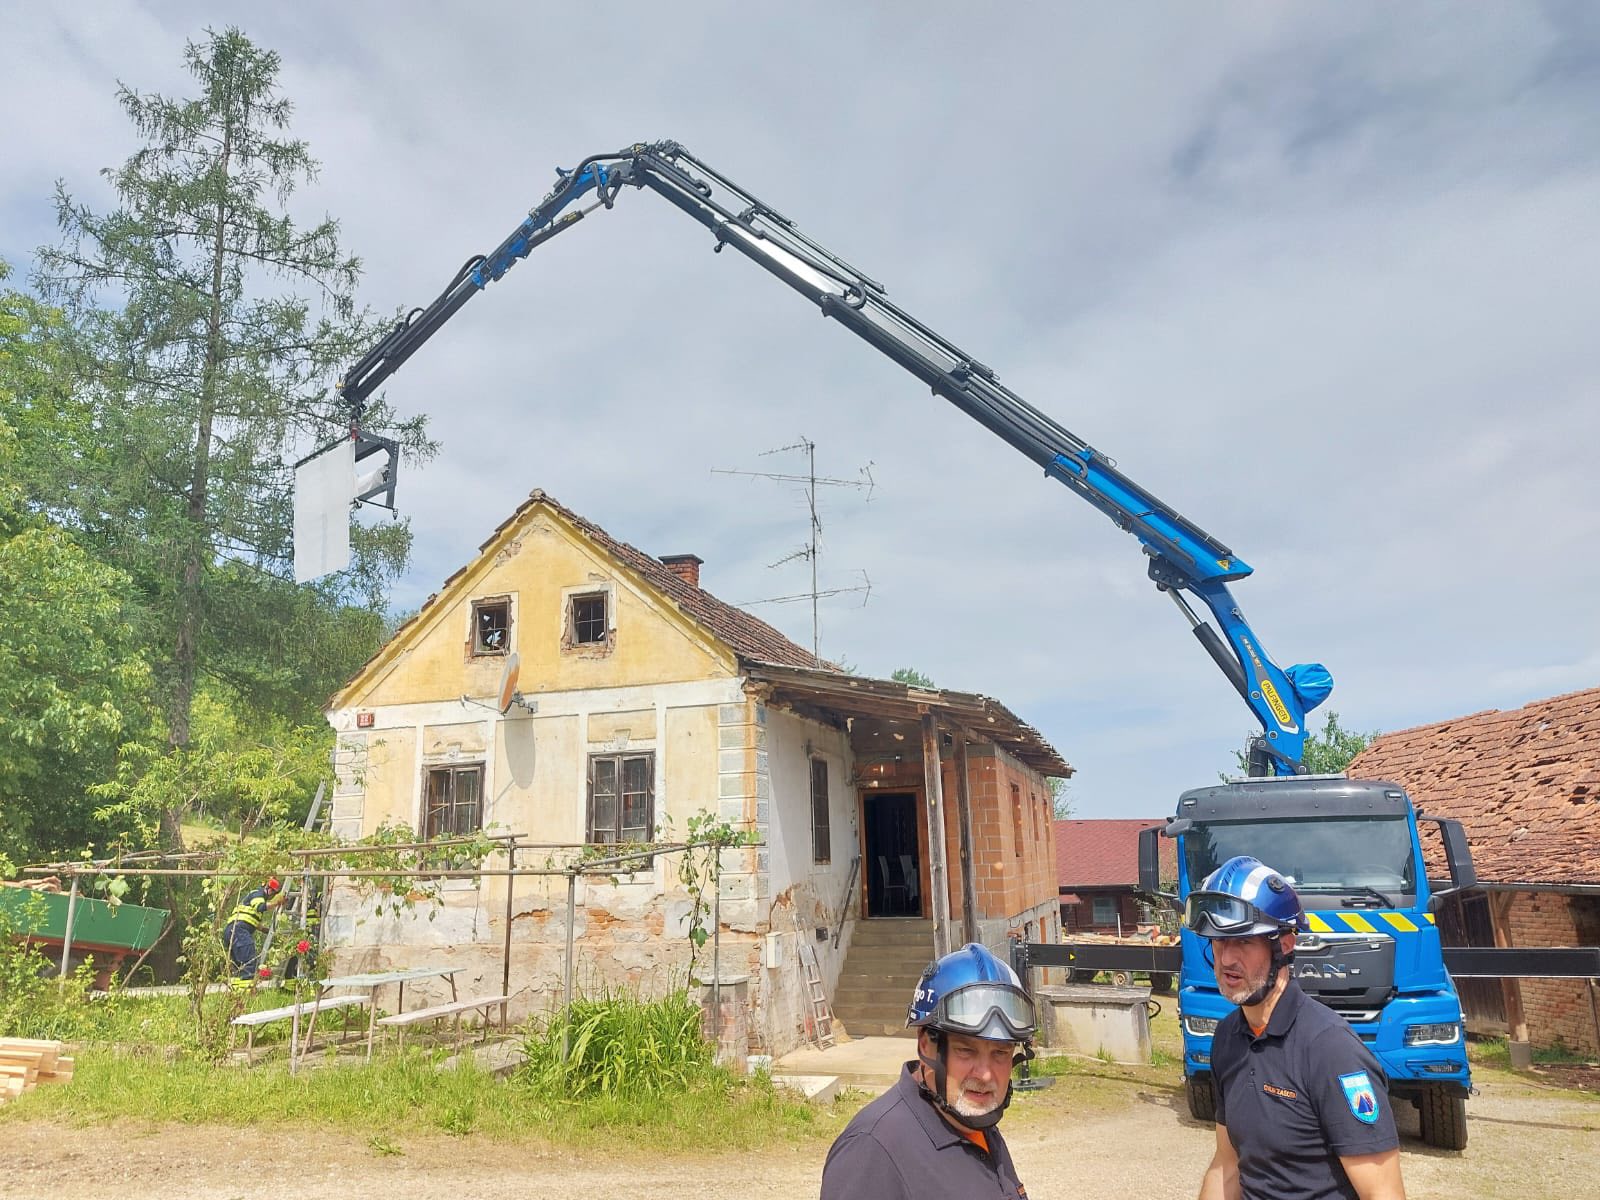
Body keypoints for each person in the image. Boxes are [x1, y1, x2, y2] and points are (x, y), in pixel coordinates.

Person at [1191, 856, 1406, 1200]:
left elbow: (1383, 1193)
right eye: (1219, 941)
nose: (1227, 959)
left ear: (1285, 944)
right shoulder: (1227, 1038)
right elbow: (1227, 1164)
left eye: (1243, 941)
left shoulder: (1331, 1049)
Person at [820, 942, 1033, 1200]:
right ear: (925, 1045)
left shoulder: (975, 1124)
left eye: (1000, 1053)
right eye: (966, 1050)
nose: (986, 1075)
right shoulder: (872, 1151)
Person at [221, 877, 285, 990]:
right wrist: (276, 903)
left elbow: (252, 921)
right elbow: (260, 907)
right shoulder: (257, 894)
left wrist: (266, 930)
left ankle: (237, 991)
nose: (272, 896)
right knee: (248, 958)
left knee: (238, 964)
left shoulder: (254, 897)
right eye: (273, 893)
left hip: (231, 930)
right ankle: (248, 990)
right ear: (269, 890)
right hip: (238, 931)